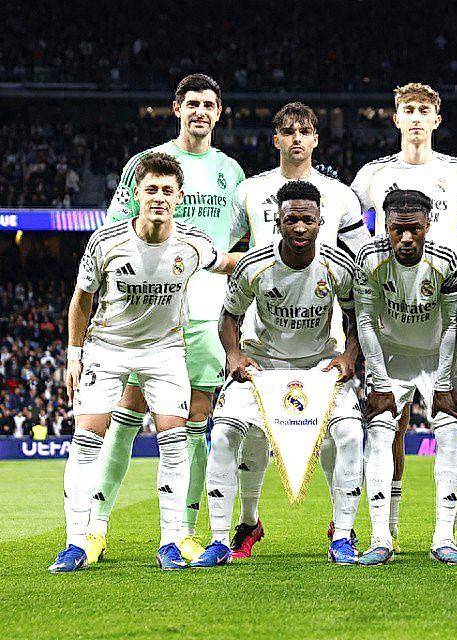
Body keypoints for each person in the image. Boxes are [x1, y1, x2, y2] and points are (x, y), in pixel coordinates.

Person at [49, 152, 238, 572]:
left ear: (180, 197)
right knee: (87, 438)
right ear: (136, 193)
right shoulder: (106, 242)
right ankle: (76, 543)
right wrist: (74, 354)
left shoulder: (192, 244)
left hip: (165, 350)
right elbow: (81, 300)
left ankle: (170, 541)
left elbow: (227, 263)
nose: (159, 197)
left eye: (167, 191)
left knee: (174, 438)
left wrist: (273, 259)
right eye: (151, 189)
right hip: (108, 347)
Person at [90, 73, 245, 564]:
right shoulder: (148, 163)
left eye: (209, 104)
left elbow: (233, 244)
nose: (200, 111)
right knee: (127, 415)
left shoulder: (231, 172)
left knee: (195, 420)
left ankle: (184, 532)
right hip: (148, 314)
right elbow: (114, 233)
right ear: (176, 108)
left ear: (219, 112)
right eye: (192, 103)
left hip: (207, 311)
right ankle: (95, 527)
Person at [226, 101, 371, 559]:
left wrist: (354, 350)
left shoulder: (341, 196)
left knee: (337, 435)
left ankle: (342, 527)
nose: (296, 139)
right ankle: (247, 523)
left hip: (322, 341)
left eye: (304, 131)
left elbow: (362, 262)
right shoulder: (251, 191)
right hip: (262, 335)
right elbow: (227, 252)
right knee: (250, 433)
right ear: (276, 139)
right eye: (287, 131)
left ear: (315, 139)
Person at [193, 180, 364, 567]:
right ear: (278, 222)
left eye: (307, 220)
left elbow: (357, 317)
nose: (300, 227)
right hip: (263, 364)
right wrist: (234, 355)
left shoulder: (338, 266)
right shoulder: (253, 265)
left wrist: (349, 356)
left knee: (351, 434)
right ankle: (222, 538)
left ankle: (343, 534)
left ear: (320, 222)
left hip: (320, 365)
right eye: (291, 220)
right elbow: (229, 317)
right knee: (223, 433)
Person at [350, 82, 457, 551]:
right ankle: (382, 533)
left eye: (423, 110)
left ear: (436, 119)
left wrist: (451, 252)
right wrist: (375, 254)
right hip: (391, 314)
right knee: (388, 428)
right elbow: (349, 223)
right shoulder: (372, 174)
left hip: (442, 302)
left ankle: (446, 533)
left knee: (448, 423)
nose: (415, 117)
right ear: (395, 118)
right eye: (407, 109)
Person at [354, 189, 457, 565]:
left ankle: (445, 537)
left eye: (414, 229)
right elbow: (365, 321)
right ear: (385, 226)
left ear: (427, 225)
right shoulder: (369, 257)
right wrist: (379, 380)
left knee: (449, 436)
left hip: (437, 358)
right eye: (396, 229)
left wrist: (445, 382)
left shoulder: (447, 259)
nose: (405, 238)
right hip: (390, 357)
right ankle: (380, 538)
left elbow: (452, 323)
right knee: (379, 435)